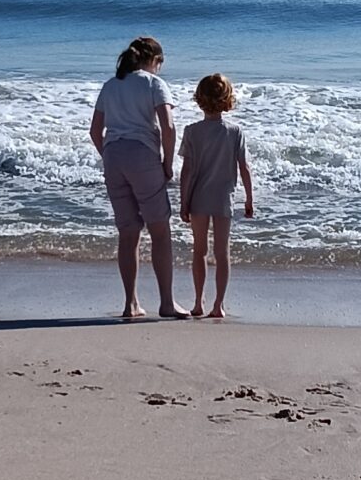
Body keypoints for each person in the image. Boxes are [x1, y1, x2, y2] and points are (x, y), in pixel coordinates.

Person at [89, 35, 181, 320]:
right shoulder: (154, 84)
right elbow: (168, 127)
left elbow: (95, 131)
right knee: (159, 230)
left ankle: (130, 304)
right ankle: (166, 302)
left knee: (128, 233)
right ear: (154, 60)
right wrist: (167, 162)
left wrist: (112, 158)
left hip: (114, 154)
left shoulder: (111, 85)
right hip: (142, 154)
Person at [178, 73, 254, 320]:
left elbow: (187, 171)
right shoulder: (234, 132)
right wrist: (249, 199)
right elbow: (244, 168)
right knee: (222, 253)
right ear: (227, 99)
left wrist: (183, 201)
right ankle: (218, 304)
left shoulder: (192, 131)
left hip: (198, 197)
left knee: (199, 250)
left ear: (199, 100)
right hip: (224, 198)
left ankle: (198, 302)